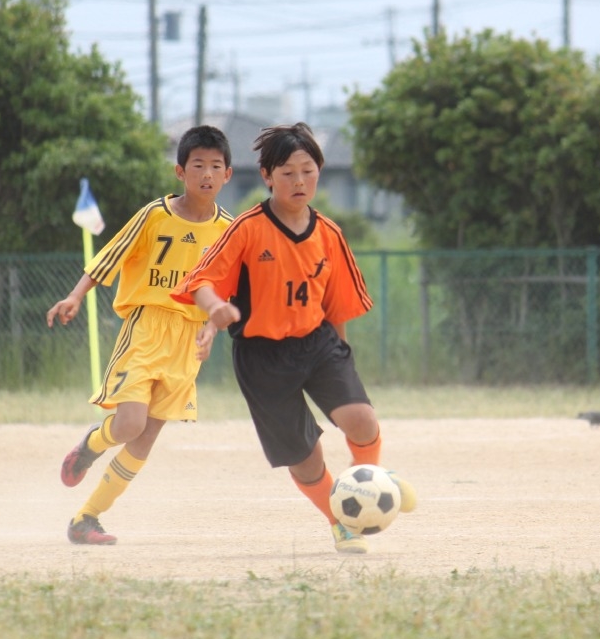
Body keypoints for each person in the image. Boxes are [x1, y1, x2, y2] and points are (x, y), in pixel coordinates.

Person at [171, 122, 416, 555]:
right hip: (262, 357)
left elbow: (338, 305)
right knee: (306, 459)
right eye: (287, 173)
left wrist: (343, 360)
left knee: (362, 419)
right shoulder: (247, 228)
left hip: (317, 344)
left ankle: (371, 483)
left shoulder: (329, 234)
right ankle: (341, 522)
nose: (299, 181)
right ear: (267, 176)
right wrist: (215, 308)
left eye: (308, 171)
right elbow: (201, 281)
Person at [46, 125, 234, 544]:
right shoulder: (155, 214)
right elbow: (111, 254)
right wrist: (75, 296)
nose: (206, 174)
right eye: (197, 165)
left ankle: (86, 519)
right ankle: (91, 446)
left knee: (146, 438)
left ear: (228, 175)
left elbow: (224, 291)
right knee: (130, 423)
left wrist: (210, 329)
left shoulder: (229, 229)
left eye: (215, 166)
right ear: (180, 172)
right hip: (147, 327)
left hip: (188, 341)